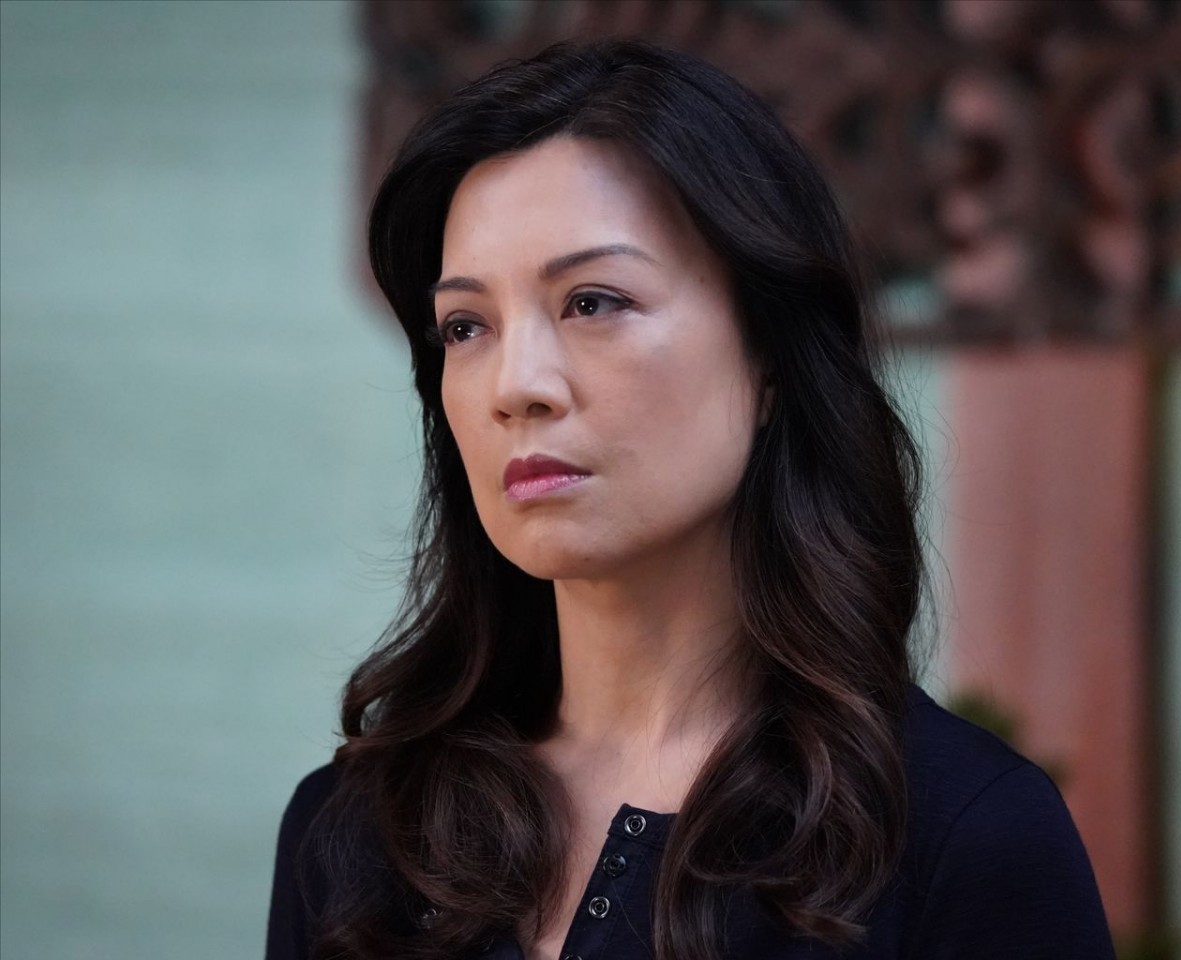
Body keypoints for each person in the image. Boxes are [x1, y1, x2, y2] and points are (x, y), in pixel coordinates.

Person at [267, 38, 1115, 960]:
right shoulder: (355, 831)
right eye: (466, 326)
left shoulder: (964, 838)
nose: (516, 385)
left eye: (593, 302)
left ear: (769, 358)